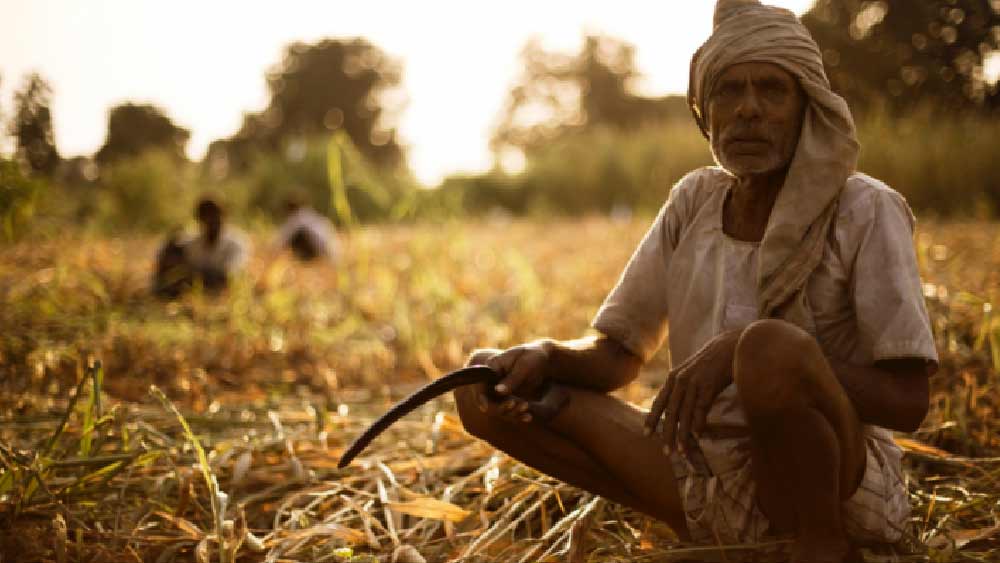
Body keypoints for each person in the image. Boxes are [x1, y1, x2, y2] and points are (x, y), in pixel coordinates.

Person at [453, 2, 938, 562]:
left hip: (834, 492)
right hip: (704, 480)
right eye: (729, 91)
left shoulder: (865, 209)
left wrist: (743, 352)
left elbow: (908, 402)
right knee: (478, 383)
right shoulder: (695, 201)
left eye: (772, 90)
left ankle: (820, 548)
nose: (748, 109)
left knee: (768, 348)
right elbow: (617, 355)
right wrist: (542, 355)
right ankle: (736, 545)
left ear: (807, 106)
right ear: (705, 112)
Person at [151, 197, 250, 297]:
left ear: (223, 216)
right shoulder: (194, 242)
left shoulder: (237, 243)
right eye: (206, 216)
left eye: (214, 215)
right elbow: (165, 255)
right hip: (197, 289)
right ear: (199, 219)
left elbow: (228, 276)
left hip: (224, 292)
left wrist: (193, 277)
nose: (211, 220)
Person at [272, 198, 339, 262]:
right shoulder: (312, 216)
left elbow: (282, 239)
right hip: (332, 253)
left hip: (320, 253)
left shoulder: (298, 218)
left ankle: (306, 260)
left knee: (297, 235)